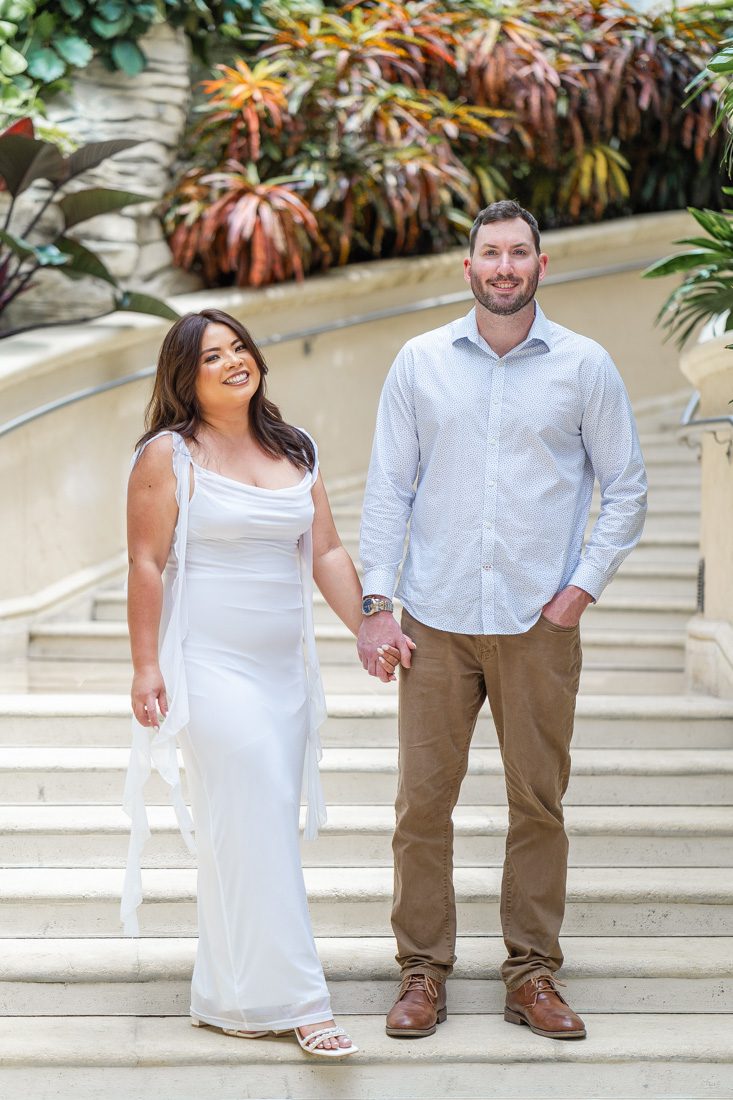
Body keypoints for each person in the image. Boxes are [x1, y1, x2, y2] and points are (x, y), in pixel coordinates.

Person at [357, 200, 647, 1042]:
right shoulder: (419, 363)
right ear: (469, 267)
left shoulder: (584, 366)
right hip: (437, 620)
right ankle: (421, 972)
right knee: (421, 807)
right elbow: (388, 491)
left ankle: (530, 973)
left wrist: (578, 590)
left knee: (537, 805)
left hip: (537, 623)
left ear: (541, 266)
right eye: (491, 253)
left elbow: (623, 488)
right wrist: (378, 604)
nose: (505, 266)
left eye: (520, 252)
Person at [120, 308, 403, 1057]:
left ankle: (227, 995)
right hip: (208, 669)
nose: (233, 361)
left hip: (281, 674)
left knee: (245, 828)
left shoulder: (294, 447)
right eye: (212, 356)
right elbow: (145, 563)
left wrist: (370, 625)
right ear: (186, 376)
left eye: (238, 346)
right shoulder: (168, 455)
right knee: (261, 822)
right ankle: (302, 1001)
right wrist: (146, 665)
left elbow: (329, 554)